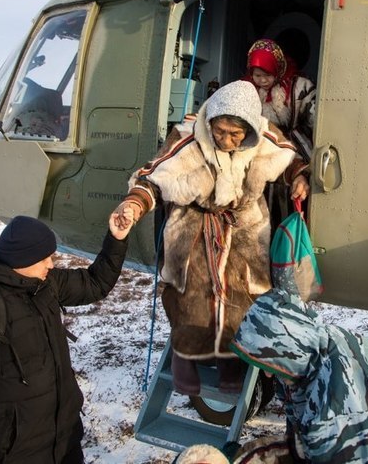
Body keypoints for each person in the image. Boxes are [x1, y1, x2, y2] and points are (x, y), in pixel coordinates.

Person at [111, 80, 309, 395]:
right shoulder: (188, 137)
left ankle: (231, 362)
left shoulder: (264, 136)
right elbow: (154, 176)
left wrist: (299, 175)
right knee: (191, 296)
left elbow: (287, 158)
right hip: (195, 227)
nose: (226, 140)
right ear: (210, 121)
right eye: (219, 131)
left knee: (241, 299)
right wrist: (135, 204)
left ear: (249, 130)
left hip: (243, 231)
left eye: (235, 134)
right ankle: (184, 358)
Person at [0, 209, 135, 464]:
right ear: (21, 260)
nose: (50, 264)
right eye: (44, 258)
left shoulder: (45, 283)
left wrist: (116, 239)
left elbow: (95, 283)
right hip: (18, 452)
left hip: (65, 441)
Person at [230, 289, 368, 463]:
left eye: (270, 364)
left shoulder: (335, 420)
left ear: (289, 349)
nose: (267, 375)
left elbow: (332, 446)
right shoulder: (316, 345)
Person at [244, 38, 317, 161]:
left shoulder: (300, 87)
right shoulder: (248, 91)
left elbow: (314, 120)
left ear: (277, 70)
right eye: (257, 75)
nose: (263, 80)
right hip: (263, 150)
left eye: (268, 75)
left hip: (299, 150)